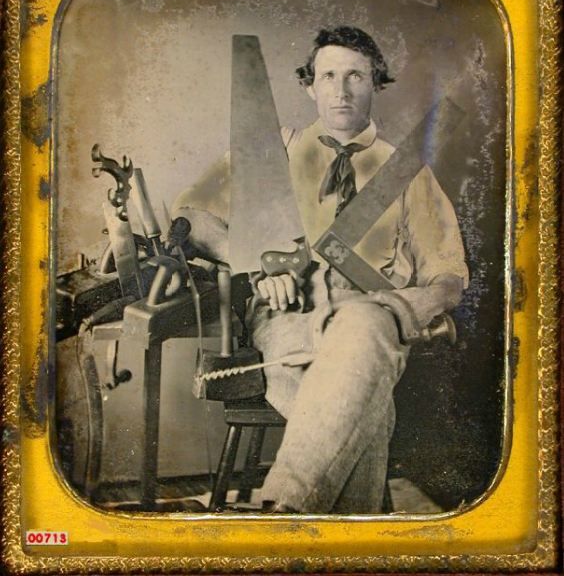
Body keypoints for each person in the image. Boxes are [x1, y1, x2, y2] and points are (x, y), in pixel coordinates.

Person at [170, 26, 468, 514]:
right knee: (362, 406)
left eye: (356, 76)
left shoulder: (407, 171)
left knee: (363, 328)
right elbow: (193, 218)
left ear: (376, 84)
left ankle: (280, 516)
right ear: (310, 85)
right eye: (328, 75)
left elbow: (448, 279)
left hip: (373, 320)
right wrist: (256, 257)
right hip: (286, 319)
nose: (341, 89)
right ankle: (349, 537)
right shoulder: (277, 148)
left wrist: (402, 309)